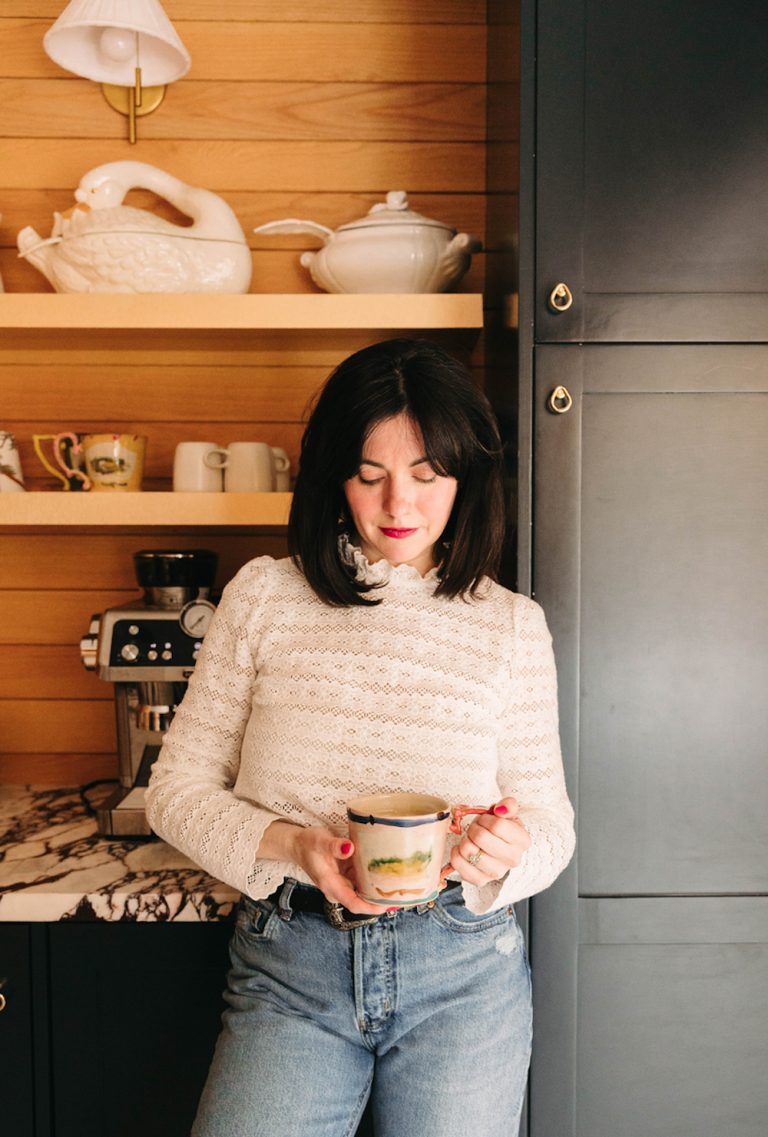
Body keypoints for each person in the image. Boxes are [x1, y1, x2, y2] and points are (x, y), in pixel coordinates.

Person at [145, 337, 575, 1137]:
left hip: (462, 971)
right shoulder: (265, 596)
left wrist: (504, 851)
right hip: (290, 963)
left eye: (426, 475)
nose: (397, 506)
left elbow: (553, 829)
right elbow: (175, 793)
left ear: (467, 478)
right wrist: (292, 844)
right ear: (334, 479)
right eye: (369, 475)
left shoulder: (512, 625)